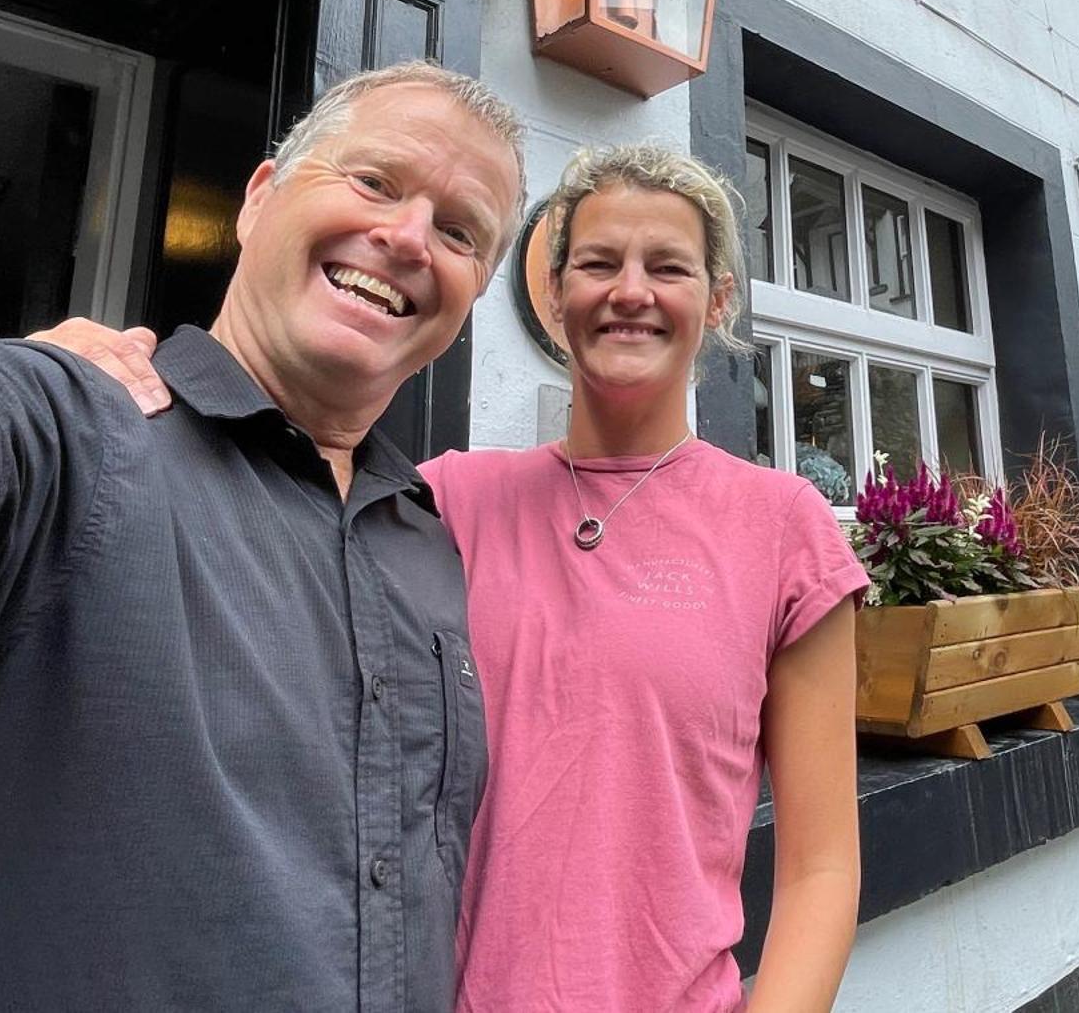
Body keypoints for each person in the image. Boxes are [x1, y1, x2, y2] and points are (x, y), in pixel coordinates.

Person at [0, 60, 523, 1011]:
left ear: (472, 295)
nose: (409, 236)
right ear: (259, 200)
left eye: (460, 231)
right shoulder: (78, 425)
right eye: (374, 181)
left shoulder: (423, 540)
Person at [50, 143, 869, 1012]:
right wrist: (76, 387)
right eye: (597, 263)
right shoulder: (435, 500)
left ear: (717, 301)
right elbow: (240, 496)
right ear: (554, 294)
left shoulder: (785, 528)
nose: (631, 291)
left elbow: (821, 867)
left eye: (667, 267)